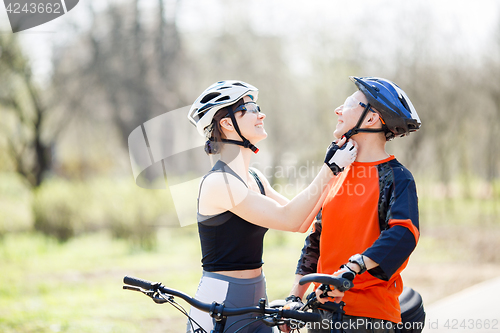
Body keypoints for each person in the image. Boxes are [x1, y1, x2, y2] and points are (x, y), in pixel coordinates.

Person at [185, 80, 358, 333]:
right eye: (251, 107)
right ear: (226, 123)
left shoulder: (255, 178)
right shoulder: (218, 182)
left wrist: (336, 173)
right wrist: (330, 169)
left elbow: (302, 222)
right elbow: (288, 218)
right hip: (220, 304)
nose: (261, 113)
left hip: (256, 299)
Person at [284, 76, 421, 333]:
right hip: (322, 315)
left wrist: (350, 269)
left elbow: (404, 233)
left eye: (348, 104)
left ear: (371, 119)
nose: (338, 110)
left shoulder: (396, 177)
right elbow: (316, 240)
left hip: (369, 318)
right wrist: (295, 296)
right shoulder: (338, 173)